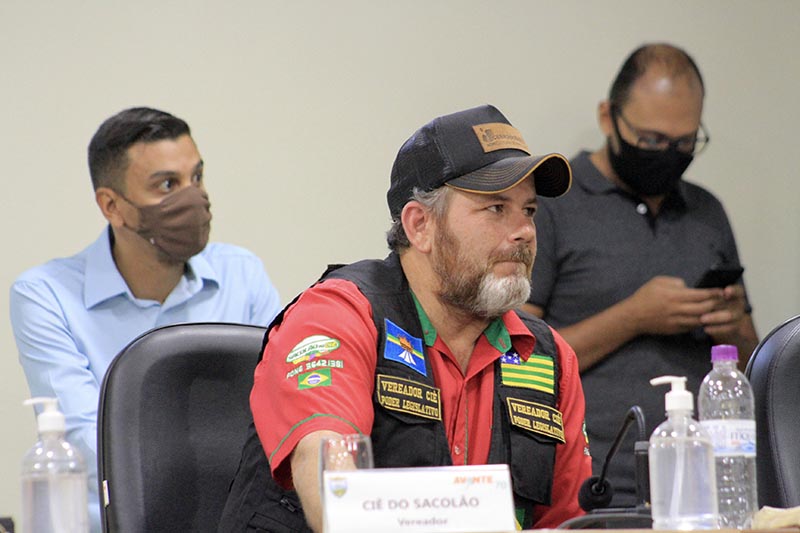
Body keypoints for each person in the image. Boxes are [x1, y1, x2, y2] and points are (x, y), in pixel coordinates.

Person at [219, 104, 591, 532]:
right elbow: (328, 471)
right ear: (420, 225)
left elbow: (570, 522)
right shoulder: (338, 315)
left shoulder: (546, 356)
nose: (524, 231)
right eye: (495, 208)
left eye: (529, 211)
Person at [10, 107, 282, 532]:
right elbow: (92, 442)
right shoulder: (47, 295)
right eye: (167, 185)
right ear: (112, 206)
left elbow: (277, 412)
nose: (194, 199)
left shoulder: (242, 275)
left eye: (196, 178)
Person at [521, 43, 759, 507]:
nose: (667, 155)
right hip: (592, 485)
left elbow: (751, 364)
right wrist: (633, 317)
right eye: (651, 141)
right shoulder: (550, 203)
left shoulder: (707, 212)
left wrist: (734, 329)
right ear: (608, 118)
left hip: (705, 485)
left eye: (684, 144)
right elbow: (517, 361)